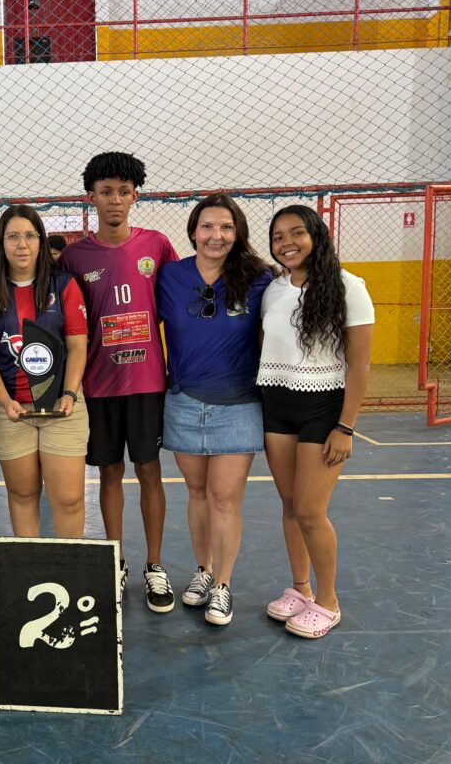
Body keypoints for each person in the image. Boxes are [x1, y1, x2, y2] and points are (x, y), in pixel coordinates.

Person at [58, 152, 177, 613]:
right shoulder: (75, 256)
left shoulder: (157, 246)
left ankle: (154, 565)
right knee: (109, 473)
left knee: (149, 471)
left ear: (135, 196)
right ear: (90, 197)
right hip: (99, 385)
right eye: (105, 191)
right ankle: (116, 560)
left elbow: (183, 295)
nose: (114, 199)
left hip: (147, 383)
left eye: (123, 192)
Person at [258, 205, 374, 639]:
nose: (286, 243)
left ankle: (328, 601)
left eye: (296, 233)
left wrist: (345, 427)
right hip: (277, 406)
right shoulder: (273, 289)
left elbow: (360, 365)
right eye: (278, 236)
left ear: (316, 236)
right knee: (290, 505)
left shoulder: (349, 287)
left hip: (323, 409)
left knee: (310, 510)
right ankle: (301, 588)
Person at [156, 193, 271, 626]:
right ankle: (203, 570)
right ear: (193, 231)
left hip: (238, 405)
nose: (216, 235)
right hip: (183, 402)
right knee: (198, 493)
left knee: (225, 498)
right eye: (207, 226)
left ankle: (223, 584)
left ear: (237, 233)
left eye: (226, 227)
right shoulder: (170, 276)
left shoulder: (259, 278)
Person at [0, 206, 89, 537]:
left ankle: (68, 564)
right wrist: (6, 401)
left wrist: (69, 393)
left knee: (69, 499)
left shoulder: (64, 286)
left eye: (30, 236)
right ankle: (30, 565)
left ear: (40, 241)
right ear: (1, 243)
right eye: (13, 237)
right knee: (22, 495)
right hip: (10, 410)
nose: (22, 244)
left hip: (61, 406)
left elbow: (77, 346)